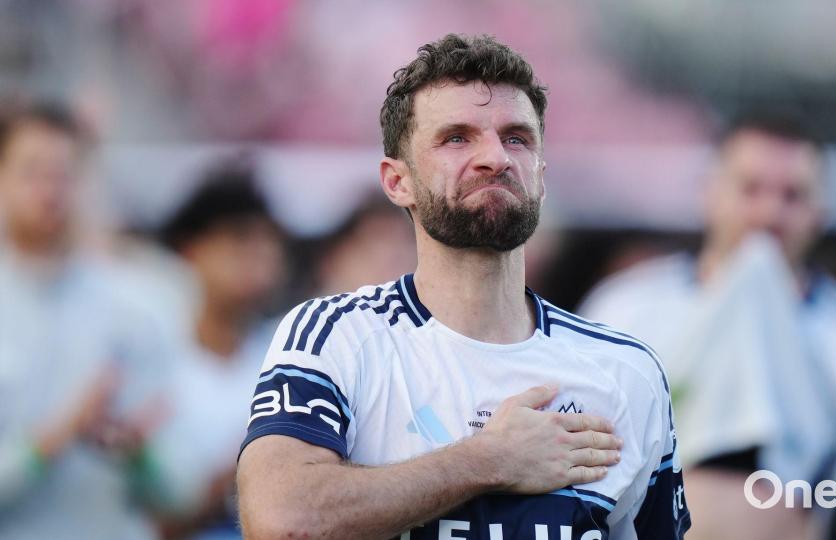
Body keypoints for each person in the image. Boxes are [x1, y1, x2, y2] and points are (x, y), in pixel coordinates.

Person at [237, 34, 691, 539]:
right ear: (397, 181)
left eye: (517, 138)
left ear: (541, 173)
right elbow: (283, 523)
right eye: (457, 137)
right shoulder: (336, 338)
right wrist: (488, 460)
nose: (495, 157)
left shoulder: (626, 372)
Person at [580, 111, 836, 540]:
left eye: (792, 195)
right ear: (710, 193)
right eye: (751, 189)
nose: (769, 212)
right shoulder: (625, 309)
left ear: (821, 212)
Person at [0, 101, 168, 539]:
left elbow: (176, 493)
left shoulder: (137, 306)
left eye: (65, 173)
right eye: (32, 171)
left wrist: (140, 454)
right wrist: (54, 438)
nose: (50, 189)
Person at [146, 160, 287, 539]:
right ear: (190, 250)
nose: (259, 252)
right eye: (239, 237)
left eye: (267, 238)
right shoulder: (154, 358)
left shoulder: (289, 352)